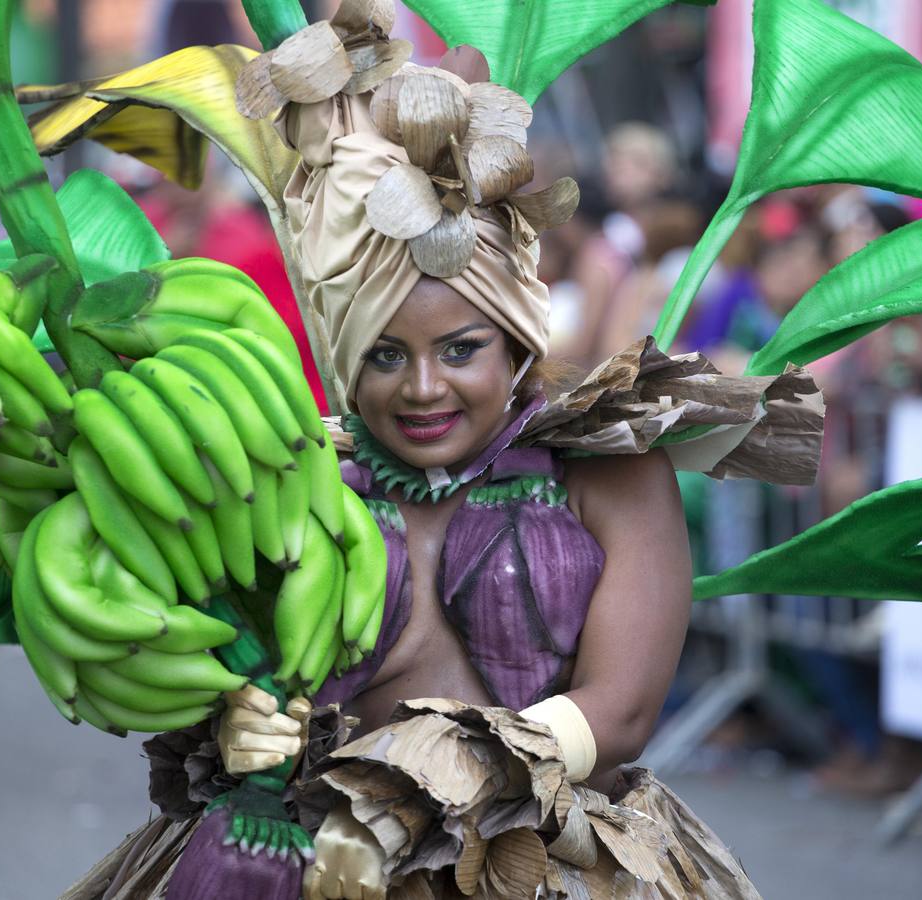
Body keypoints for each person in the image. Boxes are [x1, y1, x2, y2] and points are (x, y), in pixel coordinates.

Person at [72, 21, 822, 898]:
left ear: (514, 343)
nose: (423, 388)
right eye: (385, 356)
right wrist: (240, 722)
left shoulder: (609, 474)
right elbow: (219, 657)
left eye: (460, 349)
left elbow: (618, 712)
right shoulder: (295, 477)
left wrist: (401, 803)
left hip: (533, 866)